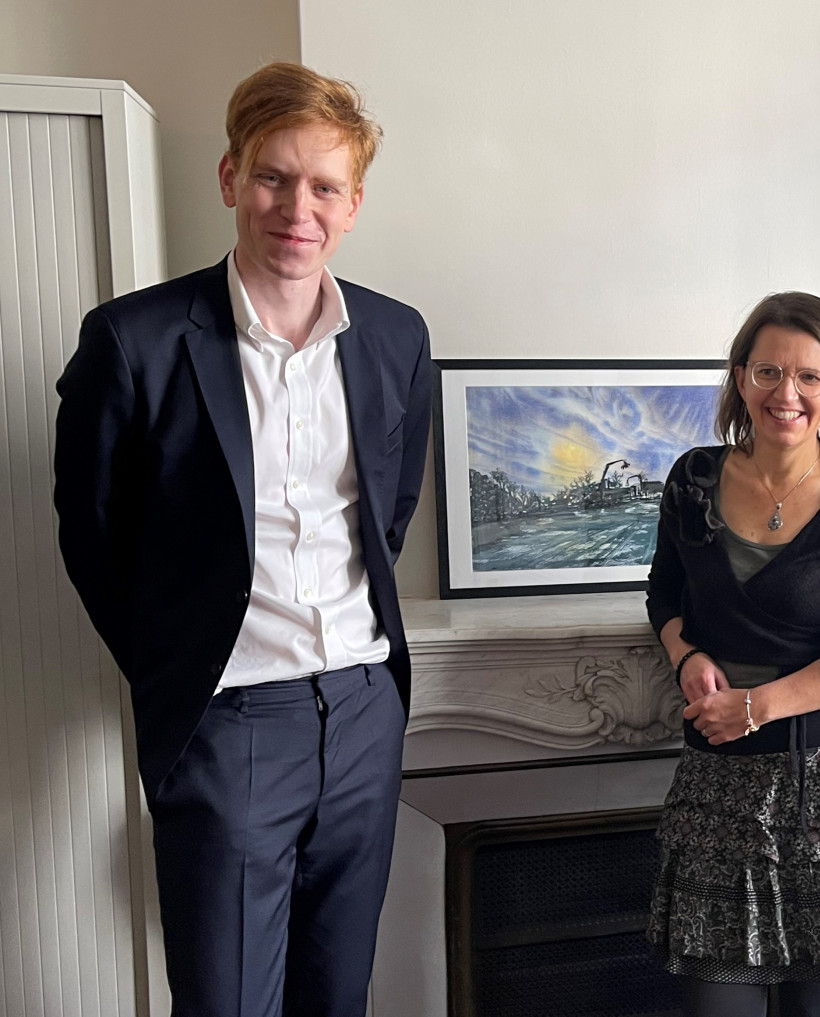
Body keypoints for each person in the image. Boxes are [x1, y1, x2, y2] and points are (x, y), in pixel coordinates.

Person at [54, 62, 432, 1017]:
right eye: (273, 176)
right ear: (230, 177)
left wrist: (371, 701)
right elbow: (93, 534)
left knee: (336, 994)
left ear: (353, 205)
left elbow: (388, 508)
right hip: (227, 721)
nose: (294, 207)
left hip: (361, 711)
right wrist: (173, 667)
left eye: (323, 187)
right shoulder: (133, 341)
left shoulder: (395, 337)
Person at [644, 292, 820, 1016]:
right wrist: (685, 657)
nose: (788, 393)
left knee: (814, 1011)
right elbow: (663, 596)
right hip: (718, 790)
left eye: (810, 376)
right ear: (742, 378)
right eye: (769, 370)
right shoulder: (693, 479)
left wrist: (752, 706)